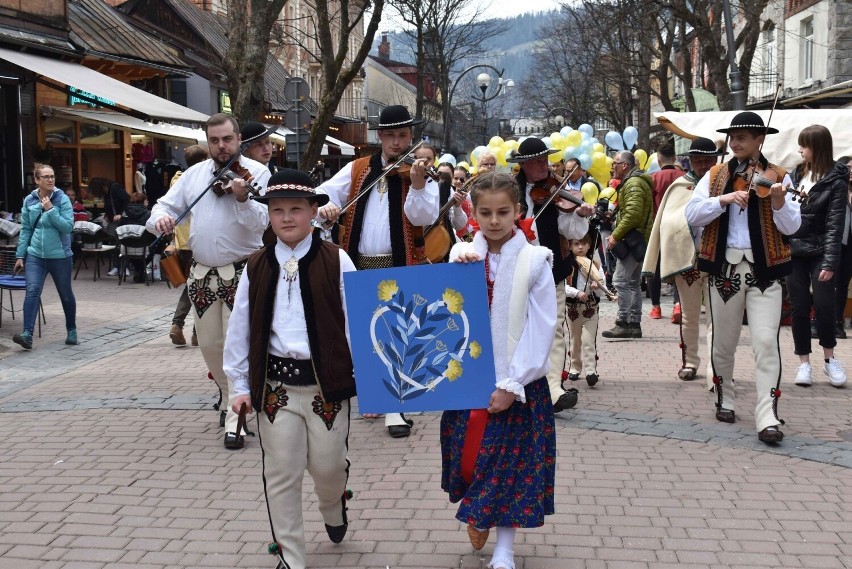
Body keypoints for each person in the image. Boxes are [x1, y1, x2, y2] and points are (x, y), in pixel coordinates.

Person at [224, 169, 355, 569]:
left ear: (314, 211)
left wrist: (370, 381)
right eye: (277, 210)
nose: (285, 218)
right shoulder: (257, 265)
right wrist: (239, 385)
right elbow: (241, 326)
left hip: (325, 386)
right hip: (274, 387)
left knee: (328, 467)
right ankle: (291, 557)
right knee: (281, 472)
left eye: (295, 209)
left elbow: (356, 321)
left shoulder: (337, 260)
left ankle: (333, 504)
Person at [441, 172, 557, 569]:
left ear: (518, 212)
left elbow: (541, 328)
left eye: (503, 212)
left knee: (510, 466)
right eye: (485, 212)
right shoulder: (461, 256)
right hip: (468, 380)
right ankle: (478, 513)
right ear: (473, 212)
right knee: (471, 458)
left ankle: (504, 548)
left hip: (516, 382)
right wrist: (457, 267)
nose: (494, 221)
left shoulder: (535, 261)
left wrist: (514, 382)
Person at [147, 113, 272, 449]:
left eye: (227, 140)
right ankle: (227, 392)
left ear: (238, 140)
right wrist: (161, 218)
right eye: (214, 141)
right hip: (201, 274)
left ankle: (238, 417)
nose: (221, 147)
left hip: (243, 271)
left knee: (236, 345)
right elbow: (164, 204)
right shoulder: (194, 175)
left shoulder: (257, 173)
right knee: (209, 345)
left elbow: (264, 222)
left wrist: (243, 198)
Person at [316, 105, 438, 438]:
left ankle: (395, 408)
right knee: (361, 335)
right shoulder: (358, 169)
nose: (397, 143)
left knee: (398, 334)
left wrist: (416, 184)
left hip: (400, 264)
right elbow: (325, 191)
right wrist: (326, 203)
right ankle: (374, 393)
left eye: (403, 136)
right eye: (391, 136)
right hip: (357, 263)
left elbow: (423, 216)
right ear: (380, 137)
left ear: (410, 137)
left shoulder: (420, 172)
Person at [685, 111, 801, 444]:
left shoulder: (778, 176)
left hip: (765, 272)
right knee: (724, 342)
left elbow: (792, 227)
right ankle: (726, 396)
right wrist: (721, 199)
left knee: (766, 343)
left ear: (759, 141)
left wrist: (779, 203)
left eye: (743, 138)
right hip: (724, 270)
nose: (736, 143)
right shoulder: (716, 174)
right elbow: (692, 214)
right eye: (733, 138)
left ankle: (768, 416)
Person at [507, 137, 593, 413]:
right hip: (514, 271)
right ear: (523, 165)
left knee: (554, 327)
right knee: (516, 329)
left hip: (549, 270)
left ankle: (554, 389)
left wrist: (581, 215)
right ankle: (517, 381)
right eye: (537, 162)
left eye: (546, 160)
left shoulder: (558, 191)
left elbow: (574, 233)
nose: (545, 166)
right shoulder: (510, 192)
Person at [643, 137, 725, 382]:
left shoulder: (726, 185)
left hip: (719, 259)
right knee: (689, 316)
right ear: (689, 161)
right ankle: (690, 362)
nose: (702, 164)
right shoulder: (680, 185)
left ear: (716, 160)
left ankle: (716, 366)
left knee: (718, 316)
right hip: (688, 261)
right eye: (697, 160)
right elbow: (667, 222)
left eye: (708, 160)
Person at [787, 125, 848, 388]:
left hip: (821, 251)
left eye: (804, 145)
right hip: (794, 250)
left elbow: (836, 223)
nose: (800, 150)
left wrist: (830, 261)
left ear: (818, 147)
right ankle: (804, 364)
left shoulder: (836, 179)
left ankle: (830, 359)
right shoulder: (795, 174)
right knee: (799, 308)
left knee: (824, 306)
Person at [12, 164, 77, 350]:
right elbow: (25, 229)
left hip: (60, 256)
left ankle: (71, 330)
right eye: (46, 176)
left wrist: (50, 209)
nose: (50, 180)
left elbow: (67, 227)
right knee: (32, 291)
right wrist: (20, 256)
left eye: (52, 176)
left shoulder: (62, 199)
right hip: (35, 256)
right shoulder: (29, 201)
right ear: (37, 180)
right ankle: (27, 334)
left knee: (65, 294)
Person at [602, 151, 654, 339]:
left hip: (633, 240)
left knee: (620, 281)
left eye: (615, 163)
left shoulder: (633, 183)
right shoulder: (636, 182)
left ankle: (623, 322)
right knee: (632, 284)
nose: (612, 167)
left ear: (624, 165)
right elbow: (631, 211)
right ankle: (634, 324)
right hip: (638, 239)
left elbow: (633, 214)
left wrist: (615, 235)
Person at [167, 145, 209, 348]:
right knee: (197, 285)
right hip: (197, 240)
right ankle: (190, 330)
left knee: (193, 285)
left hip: (182, 241)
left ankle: (184, 328)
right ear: (202, 162)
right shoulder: (198, 182)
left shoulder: (177, 180)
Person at [564, 230, 614, 387]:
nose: (580, 247)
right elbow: (562, 287)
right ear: (570, 245)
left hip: (590, 308)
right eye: (576, 244)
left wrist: (595, 287)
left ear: (589, 245)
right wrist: (576, 292)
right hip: (572, 308)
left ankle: (591, 370)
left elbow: (602, 287)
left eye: (584, 244)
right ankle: (575, 367)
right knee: (575, 340)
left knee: (588, 340)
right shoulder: (567, 265)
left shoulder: (595, 265)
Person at [647, 142, 684, 321]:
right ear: (674, 158)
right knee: (679, 266)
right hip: (680, 227)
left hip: (659, 226)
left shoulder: (653, 178)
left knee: (654, 267)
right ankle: (678, 304)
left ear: (659, 159)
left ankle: (656, 307)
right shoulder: (684, 176)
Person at [416, 144, 467, 261]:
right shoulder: (406, 184)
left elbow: (459, 225)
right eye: (419, 158)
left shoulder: (444, 187)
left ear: (434, 160)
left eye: (429, 159)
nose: (424, 163)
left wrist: (457, 206)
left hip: (438, 242)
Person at [835, 156, 852, 339]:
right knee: (829, 283)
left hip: (850, 244)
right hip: (836, 240)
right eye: (848, 167)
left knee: (843, 284)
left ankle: (837, 320)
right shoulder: (836, 188)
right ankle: (823, 320)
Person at [119, 192, 152, 283]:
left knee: (133, 248)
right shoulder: (149, 214)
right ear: (143, 201)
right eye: (146, 200)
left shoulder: (125, 213)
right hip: (144, 246)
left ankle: (138, 269)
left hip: (127, 246)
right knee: (158, 245)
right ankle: (141, 269)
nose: (148, 202)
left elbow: (120, 228)